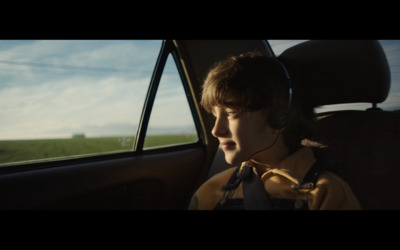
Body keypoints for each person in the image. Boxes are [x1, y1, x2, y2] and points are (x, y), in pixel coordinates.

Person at [188, 52, 361, 210]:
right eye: (214, 115)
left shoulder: (325, 193)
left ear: (278, 118)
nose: (215, 131)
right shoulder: (211, 191)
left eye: (231, 113)